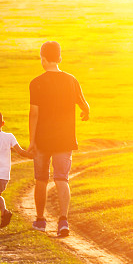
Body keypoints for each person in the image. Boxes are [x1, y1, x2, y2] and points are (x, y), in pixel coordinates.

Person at [29, 41, 90, 238]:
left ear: (43, 59)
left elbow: (34, 114)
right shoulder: (71, 80)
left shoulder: (36, 82)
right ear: (60, 58)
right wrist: (85, 113)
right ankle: (63, 221)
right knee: (62, 178)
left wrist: (31, 141)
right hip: (64, 139)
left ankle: (40, 220)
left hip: (42, 139)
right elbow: (84, 104)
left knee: (41, 179)